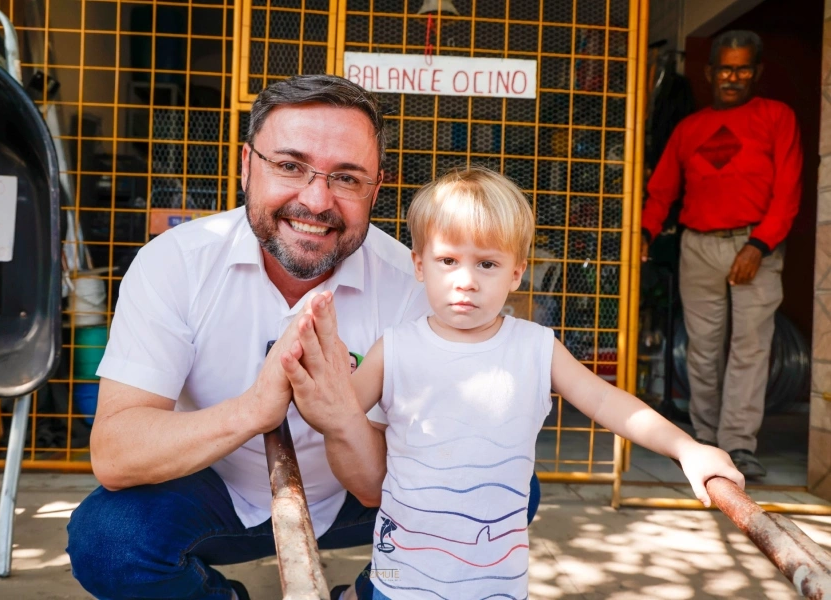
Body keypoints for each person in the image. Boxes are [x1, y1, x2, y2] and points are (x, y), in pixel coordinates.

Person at [65, 75, 540, 600]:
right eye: (290, 166)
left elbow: (383, 482)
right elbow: (114, 454)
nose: (316, 201)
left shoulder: (418, 287)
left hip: (358, 495)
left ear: (375, 190)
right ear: (247, 165)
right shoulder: (176, 263)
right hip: (216, 492)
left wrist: (340, 419)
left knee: (501, 491)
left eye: (347, 178)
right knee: (108, 539)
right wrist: (254, 409)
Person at [281, 167, 745, 599]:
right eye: (448, 260)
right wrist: (318, 376)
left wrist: (687, 449)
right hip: (401, 572)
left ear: (516, 273)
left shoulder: (536, 348)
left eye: (487, 264)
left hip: (496, 577)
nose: (466, 281)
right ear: (419, 265)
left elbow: (607, 401)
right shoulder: (395, 348)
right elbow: (336, 412)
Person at [640, 30, 802, 479]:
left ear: (757, 72)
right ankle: (708, 443)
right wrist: (646, 231)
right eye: (725, 68)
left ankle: (739, 444)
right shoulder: (688, 128)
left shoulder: (776, 116)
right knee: (703, 350)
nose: (733, 77)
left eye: (743, 68)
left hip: (756, 245)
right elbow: (662, 191)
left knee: (750, 348)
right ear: (709, 73)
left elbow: (789, 191)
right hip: (698, 245)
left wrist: (759, 245)